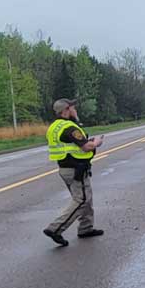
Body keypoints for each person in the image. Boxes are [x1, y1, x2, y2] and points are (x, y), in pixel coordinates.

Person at [42, 98, 104, 247]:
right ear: (66, 110)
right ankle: (55, 228)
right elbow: (86, 147)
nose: (75, 110)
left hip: (66, 168)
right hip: (75, 169)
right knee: (81, 200)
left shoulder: (55, 126)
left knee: (85, 198)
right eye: (73, 108)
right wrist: (96, 143)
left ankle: (86, 228)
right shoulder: (69, 127)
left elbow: (70, 144)